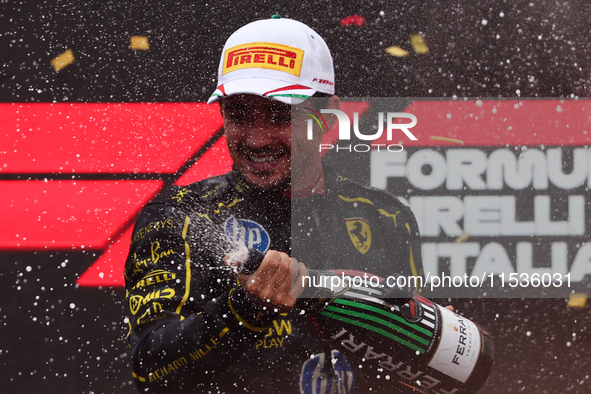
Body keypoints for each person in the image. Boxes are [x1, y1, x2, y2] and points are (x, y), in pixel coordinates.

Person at [124, 16, 423, 393]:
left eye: (281, 115)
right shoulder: (182, 215)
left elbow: (417, 365)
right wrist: (244, 310)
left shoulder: (385, 217)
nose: (257, 139)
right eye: (238, 115)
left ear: (327, 115)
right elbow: (150, 373)